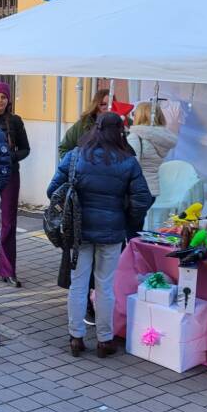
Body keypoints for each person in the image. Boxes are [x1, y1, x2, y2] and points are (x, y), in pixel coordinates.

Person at [48, 112, 152, 357]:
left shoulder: (75, 157)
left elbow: (53, 190)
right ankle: (105, 339)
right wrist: (127, 221)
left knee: (78, 284)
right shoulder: (128, 161)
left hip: (78, 231)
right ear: (120, 131)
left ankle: (76, 337)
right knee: (105, 286)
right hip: (112, 231)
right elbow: (142, 199)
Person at [0, 81, 30, 286]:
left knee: (9, 223)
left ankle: (7, 269)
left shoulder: (15, 121)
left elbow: (25, 149)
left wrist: (9, 157)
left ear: (8, 100)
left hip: (10, 174)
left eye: (3, 97)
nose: (0, 101)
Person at [126, 101, 178, 197]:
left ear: (141, 116)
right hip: (152, 189)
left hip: (136, 189)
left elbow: (129, 166)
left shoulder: (136, 137)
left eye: (134, 114)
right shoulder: (162, 138)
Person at [58, 88, 110, 157]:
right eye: (103, 104)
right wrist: (78, 163)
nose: (108, 107)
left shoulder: (121, 126)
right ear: (96, 105)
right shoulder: (82, 125)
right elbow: (63, 149)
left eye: (110, 104)